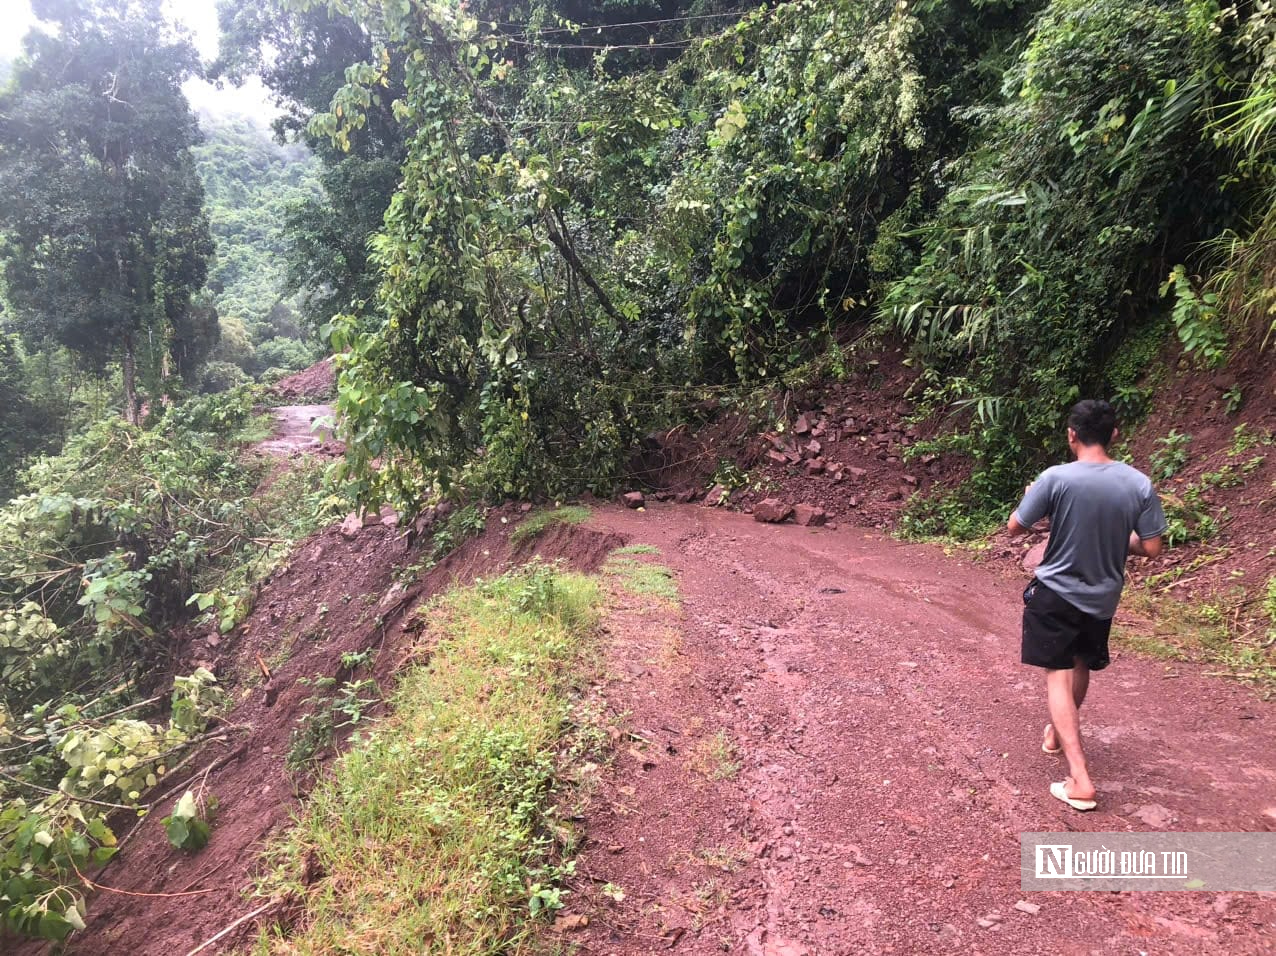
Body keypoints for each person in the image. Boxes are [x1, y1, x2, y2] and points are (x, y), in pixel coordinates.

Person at [1007, 399, 1166, 811]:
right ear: (1115, 434)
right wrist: (1116, 537)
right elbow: (1150, 547)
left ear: (1071, 434)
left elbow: (1014, 527)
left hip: (1056, 593)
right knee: (1079, 664)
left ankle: (1080, 778)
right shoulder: (1138, 484)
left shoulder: (1055, 478)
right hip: (1102, 597)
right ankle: (1058, 734)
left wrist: (1032, 500)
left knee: (1057, 676)